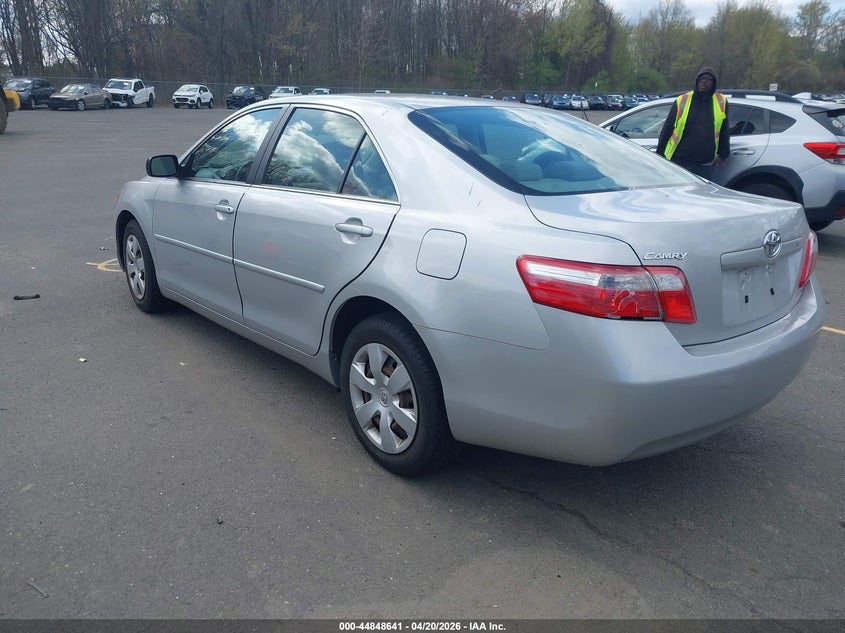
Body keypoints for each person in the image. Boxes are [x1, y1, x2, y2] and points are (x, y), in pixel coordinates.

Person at [656, 66, 730, 180]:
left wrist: (723, 155)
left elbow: (724, 130)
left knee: (699, 196)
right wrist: (659, 155)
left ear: (714, 83)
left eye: (708, 79)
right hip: (678, 161)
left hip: (705, 164)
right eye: (701, 79)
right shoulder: (682, 100)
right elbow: (667, 129)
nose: (704, 81)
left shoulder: (721, 102)